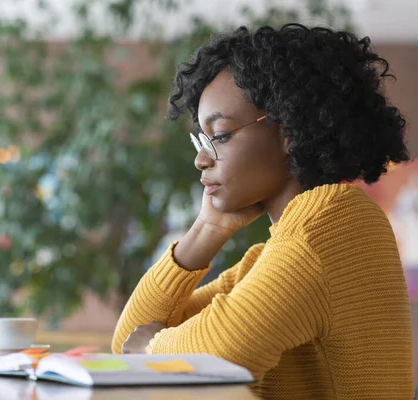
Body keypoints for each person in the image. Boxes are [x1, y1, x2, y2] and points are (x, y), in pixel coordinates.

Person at [111, 23, 414, 399]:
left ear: (289, 131)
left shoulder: (334, 221)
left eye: (219, 135)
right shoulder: (266, 259)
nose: (201, 159)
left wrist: (151, 348)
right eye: (201, 140)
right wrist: (207, 229)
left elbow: (223, 353)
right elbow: (125, 343)